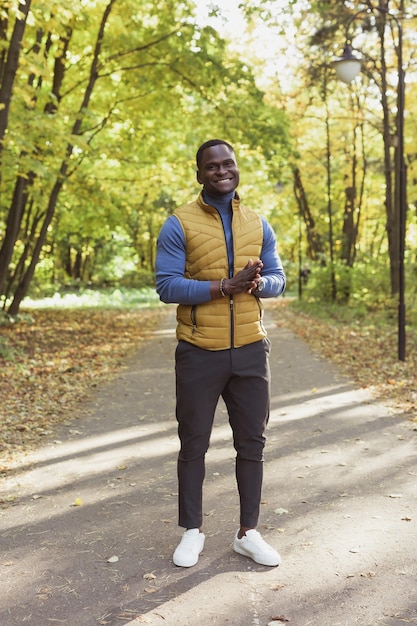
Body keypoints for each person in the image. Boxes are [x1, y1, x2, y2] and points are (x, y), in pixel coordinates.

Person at [155, 139, 286, 568]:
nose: (221, 171)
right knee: (193, 444)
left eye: (227, 163)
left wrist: (257, 284)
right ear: (200, 175)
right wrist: (222, 287)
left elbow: (279, 279)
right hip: (198, 351)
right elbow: (166, 286)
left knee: (253, 443)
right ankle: (192, 532)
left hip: (250, 349)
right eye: (211, 166)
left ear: (236, 169)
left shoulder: (258, 222)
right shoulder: (178, 223)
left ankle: (248, 533)